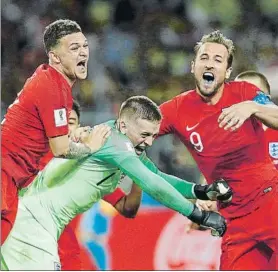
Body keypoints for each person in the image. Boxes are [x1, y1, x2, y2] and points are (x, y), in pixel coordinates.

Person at [1, 96, 232, 270]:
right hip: (32, 226)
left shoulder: (125, 145)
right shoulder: (114, 142)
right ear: (123, 126)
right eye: (145, 134)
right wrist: (197, 215)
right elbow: (151, 183)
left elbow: (158, 176)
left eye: (153, 135)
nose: (151, 142)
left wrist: (200, 190)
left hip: (35, 224)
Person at [158, 30, 278, 270]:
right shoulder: (177, 109)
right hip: (234, 220)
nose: (210, 63)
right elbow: (139, 124)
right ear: (193, 66)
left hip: (270, 203)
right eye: (204, 57)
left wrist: (252, 107)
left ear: (227, 72)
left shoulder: (245, 93)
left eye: (218, 59)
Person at [1, 19, 111, 244]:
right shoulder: (52, 87)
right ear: (55, 56)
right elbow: (60, 149)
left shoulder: (52, 83)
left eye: (85, 46)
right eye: (74, 48)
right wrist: (90, 147)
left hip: (11, 179)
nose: (83, 53)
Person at [38, 100, 142, 270]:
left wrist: (140, 176)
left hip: (66, 259)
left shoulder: (88, 168)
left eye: (70, 123)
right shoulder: (27, 160)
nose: (64, 128)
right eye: (59, 122)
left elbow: (128, 208)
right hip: (25, 252)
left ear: (79, 126)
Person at [235, 70, 278, 169]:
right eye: (239, 93)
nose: (245, 101)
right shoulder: (225, 137)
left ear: (267, 99)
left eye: (253, 92)